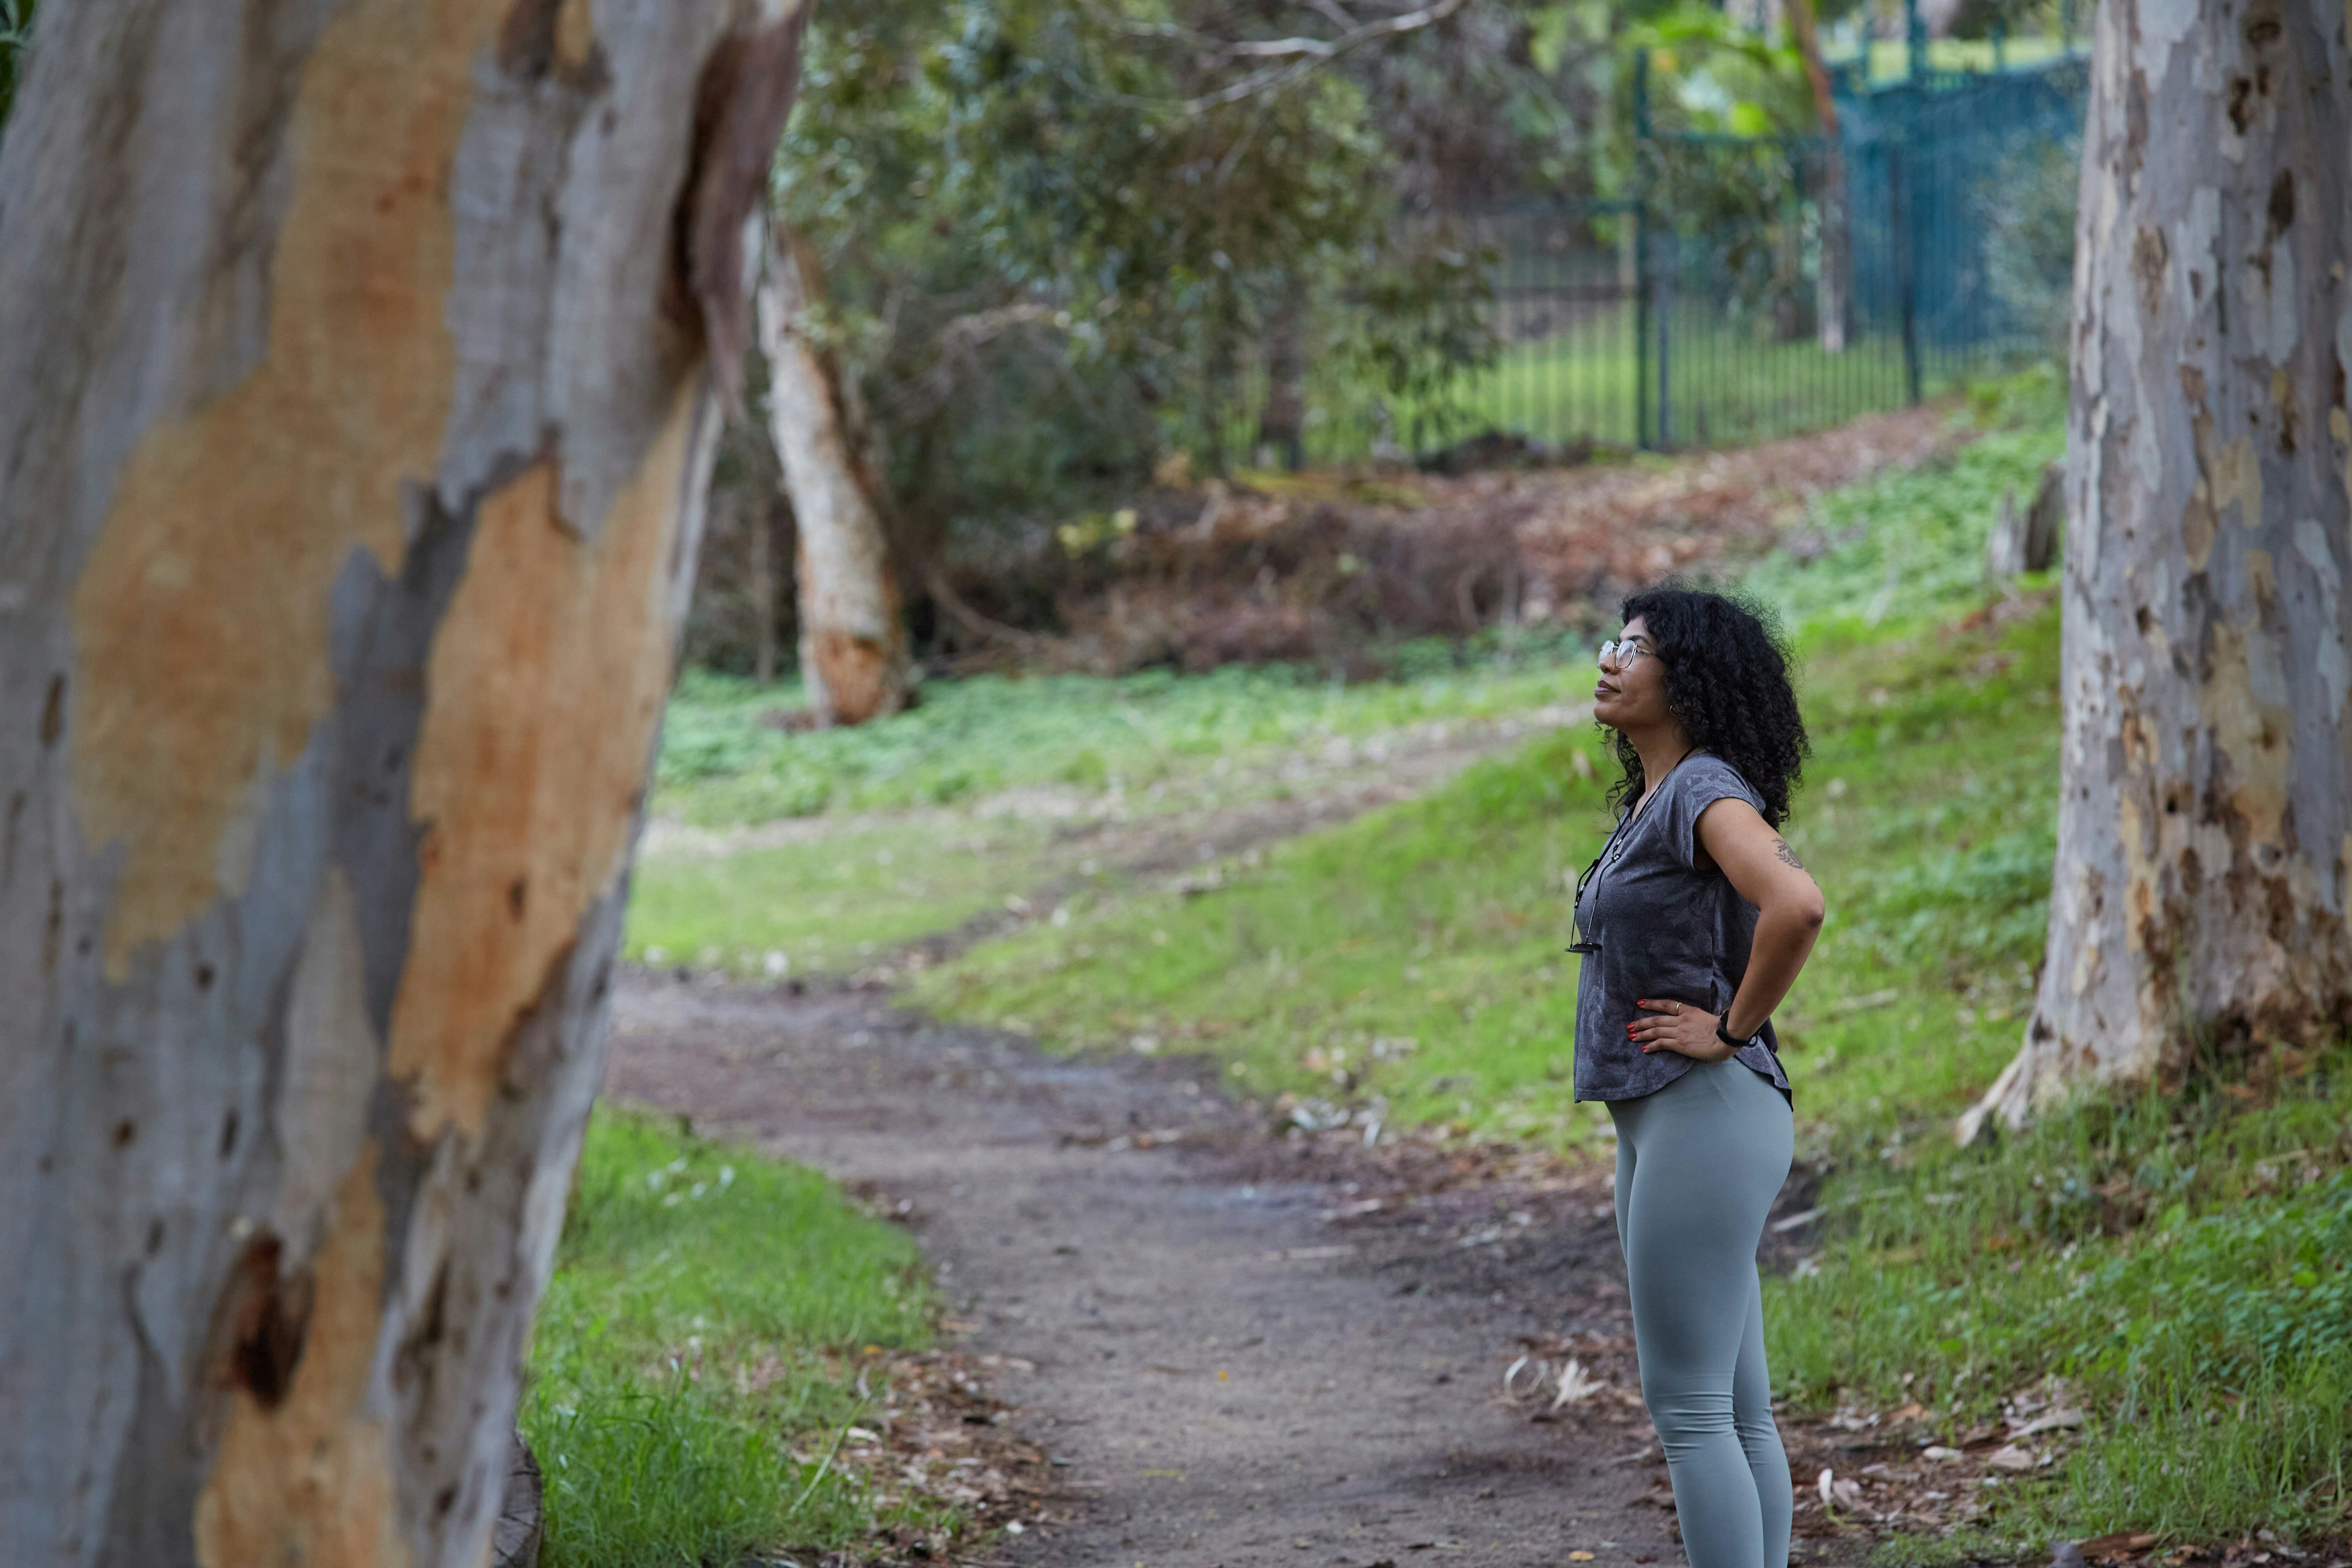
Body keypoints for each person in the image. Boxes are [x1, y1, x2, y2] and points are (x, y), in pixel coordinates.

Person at [1566, 585, 1825, 1568]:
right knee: (1734, 1410)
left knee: (1688, 1412)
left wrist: (1730, 1027)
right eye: (1611, 644)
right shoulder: (1657, 796)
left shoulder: (1703, 790)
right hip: (1664, 1119)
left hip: (1704, 1111)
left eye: (1633, 649)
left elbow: (1796, 906)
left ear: (1691, 679)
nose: (1610, 661)